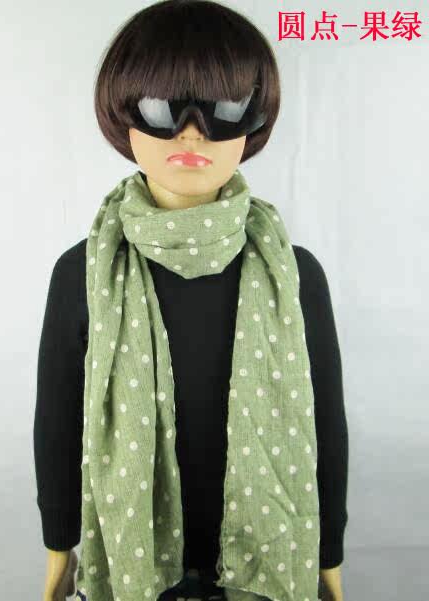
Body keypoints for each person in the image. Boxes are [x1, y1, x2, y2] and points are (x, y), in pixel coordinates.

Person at [33, 1, 349, 600]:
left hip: (268, 560)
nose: (192, 132)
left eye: (224, 110)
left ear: (254, 124)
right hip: (134, 560)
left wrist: (328, 553)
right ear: (122, 116)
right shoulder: (83, 273)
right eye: (162, 108)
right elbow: (57, 422)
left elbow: (327, 426)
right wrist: (59, 547)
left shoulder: (294, 273)